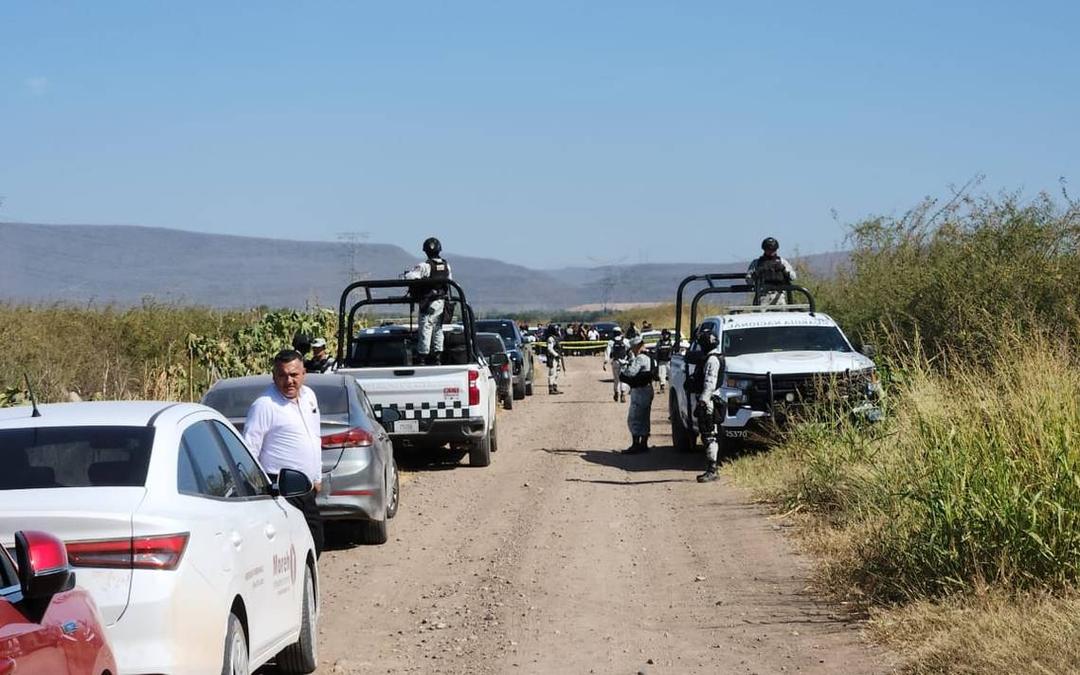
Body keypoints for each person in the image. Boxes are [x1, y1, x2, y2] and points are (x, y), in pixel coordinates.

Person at [244, 350, 325, 555]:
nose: (289, 381)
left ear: (303, 373)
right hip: (280, 489)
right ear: (274, 377)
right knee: (290, 549)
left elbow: (314, 436)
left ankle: (306, 584)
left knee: (316, 541)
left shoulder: (309, 397)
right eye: (283, 375)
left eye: (294, 375)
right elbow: (250, 450)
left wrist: (317, 476)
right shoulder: (264, 405)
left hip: (306, 487)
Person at [403, 237, 453, 364]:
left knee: (426, 328)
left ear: (426, 251)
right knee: (438, 329)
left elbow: (410, 277)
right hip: (441, 303)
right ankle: (437, 356)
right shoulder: (446, 265)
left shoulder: (424, 266)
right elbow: (449, 281)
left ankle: (422, 357)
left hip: (428, 302)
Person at [694, 326, 724, 483]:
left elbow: (709, 383)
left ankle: (712, 469)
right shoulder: (712, 358)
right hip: (709, 400)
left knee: (709, 435)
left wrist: (703, 402)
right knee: (707, 435)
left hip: (709, 401)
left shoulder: (712, 360)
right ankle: (711, 468)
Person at [617, 336, 655, 454]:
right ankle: (643, 444)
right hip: (648, 389)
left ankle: (636, 444)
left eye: (633, 348)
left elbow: (631, 372)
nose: (632, 350)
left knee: (634, 417)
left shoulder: (640, 358)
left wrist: (623, 366)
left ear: (637, 346)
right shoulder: (650, 356)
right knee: (645, 417)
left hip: (640, 390)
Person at [746, 237, 797, 306]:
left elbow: (793, 277)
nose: (771, 251)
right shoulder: (757, 263)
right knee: (760, 316)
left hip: (779, 296)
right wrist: (757, 272)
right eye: (768, 249)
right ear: (764, 249)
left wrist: (783, 269)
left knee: (783, 316)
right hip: (762, 296)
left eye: (773, 249)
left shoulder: (782, 261)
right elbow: (749, 280)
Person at [604, 332, 629, 402]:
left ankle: (616, 392)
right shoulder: (626, 341)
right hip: (624, 362)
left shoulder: (611, 342)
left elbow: (607, 352)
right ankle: (623, 394)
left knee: (616, 379)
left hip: (615, 362)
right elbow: (630, 350)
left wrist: (605, 362)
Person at [654, 329, 674, 393]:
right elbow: (656, 350)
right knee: (661, 375)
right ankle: (662, 387)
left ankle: (672, 387)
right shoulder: (659, 343)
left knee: (670, 375)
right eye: (664, 334)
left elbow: (675, 351)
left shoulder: (671, 342)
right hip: (661, 361)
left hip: (669, 362)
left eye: (667, 334)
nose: (666, 336)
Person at [545, 324, 563, 394]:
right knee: (552, 373)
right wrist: (556, 355)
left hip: (557, 358)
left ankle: (555, 387)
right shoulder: (550, 338)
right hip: (552, 358)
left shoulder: (556, 338)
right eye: (556, 329)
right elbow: (549, 349)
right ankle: (551, 388)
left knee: (557, 373)